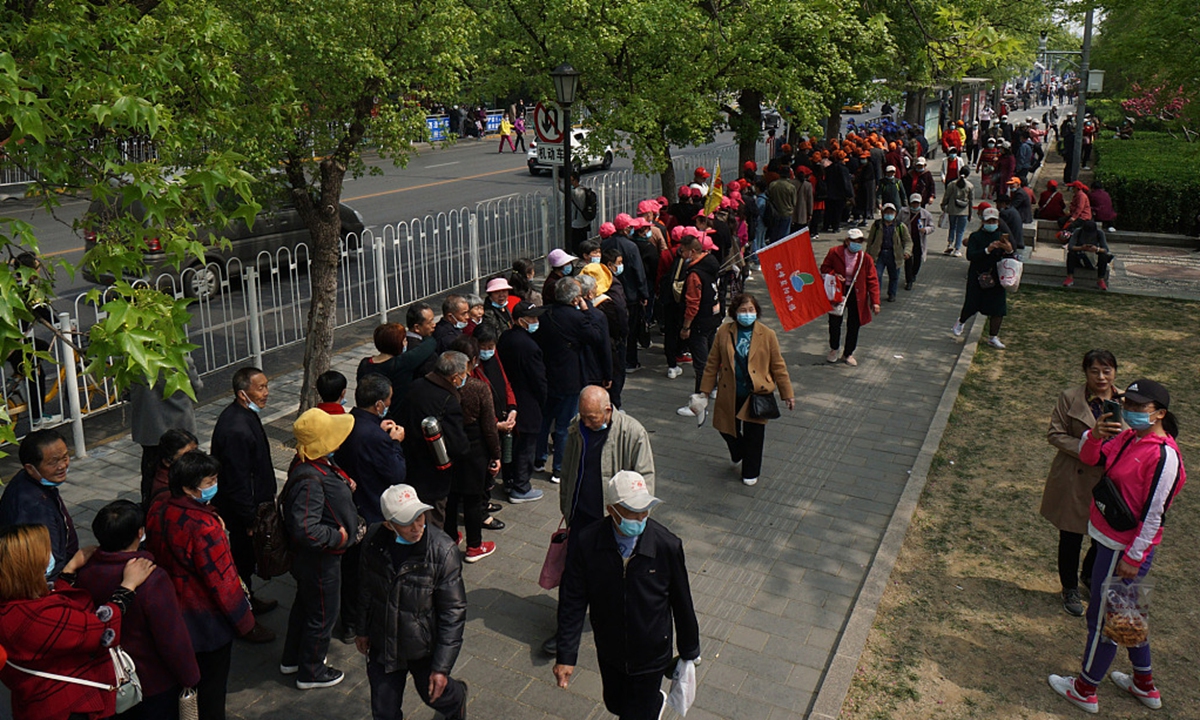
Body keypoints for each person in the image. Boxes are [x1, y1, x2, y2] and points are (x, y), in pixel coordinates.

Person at [1048, 379, 1186, 715]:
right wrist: (1094, 435)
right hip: (1110, 540)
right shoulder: (1128, 437)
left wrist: (1134, 558)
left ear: (1160, 414)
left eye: (1139, 406)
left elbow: (1154, 516)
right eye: (1128, 404)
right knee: (1127, 615)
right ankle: (1144, 683)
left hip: (1122, 549)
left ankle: (1085, 689)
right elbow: (1090, 457)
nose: (1130, 411)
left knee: (1102, 619)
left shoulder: (1163, 456)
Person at [553, 471, 700, 720]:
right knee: (615, 704)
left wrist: (690, 651)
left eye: (645, 510)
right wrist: (566, 655)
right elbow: (572, 600)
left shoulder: (666, 545)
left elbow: (682, 601)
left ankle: (649, 706)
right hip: (610, 649)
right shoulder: (588, 542)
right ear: (612, 510)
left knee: (634, 715)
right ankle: (654, 703)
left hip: (651, 653)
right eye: (633, 511)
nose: (641, 517)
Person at [0, 525, 156, 720]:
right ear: (30, 566)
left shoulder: (11, 603)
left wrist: (69, 570)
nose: (51, 554)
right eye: (46, 551)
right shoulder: (35, 617)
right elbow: (100, 630)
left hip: (33, 700)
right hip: (66, 706)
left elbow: (46, 599)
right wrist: (128, 586)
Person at [147, 450, 257, 720]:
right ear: (188, 487)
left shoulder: (159, 509)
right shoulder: (204, 526)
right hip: (204, 622)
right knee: (211, 689)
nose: (214, 486)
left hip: (169, 612)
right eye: (210, 481)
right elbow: (222, 581)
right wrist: (245, 621)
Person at [76, 500, 201, 719]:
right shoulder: (152, 579)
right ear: (140, 533)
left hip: (107, 677)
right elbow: (171, 637)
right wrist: (189, 676)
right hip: (151, 682)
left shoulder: (85, 571)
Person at [356, 484, 468, 720]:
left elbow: (453, 612)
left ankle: (458, 698)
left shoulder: (443, 550)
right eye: (407, 522)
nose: (417, 527)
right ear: (389, 524)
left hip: (423, 648)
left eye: (420, 517)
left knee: (438, 697)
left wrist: (441, 667)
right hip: (384, 643)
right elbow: (365, 589)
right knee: (384, 711)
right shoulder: (373, 541)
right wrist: (362, 629)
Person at [280, 409, 360, 690]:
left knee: (305, 606)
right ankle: (312, 670)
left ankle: (293, 658)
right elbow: (306, 528)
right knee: (323, 614)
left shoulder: (311, 464)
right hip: (320, 561)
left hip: (312, 561)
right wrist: (337, 537)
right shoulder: (310, 479)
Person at [1041, 350, 1122, 617]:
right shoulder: (1069, 398)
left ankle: (1088, 575)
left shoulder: (1125, 401)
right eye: (1094, 371)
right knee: (1071, 536)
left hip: (1109, 480)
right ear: (1085, 372)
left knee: (1103, 536)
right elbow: (1055, 434)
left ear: (1115, 372)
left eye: (1107, 371)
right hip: (1074, 478)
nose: (1101, 377)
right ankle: (1070, 587)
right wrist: (1089, 445)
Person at [333, 373, 406, 644]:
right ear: (378, 404)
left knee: (350, 569)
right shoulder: (377, 438)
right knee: (367, 573)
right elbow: (396, 473)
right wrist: (395, 442)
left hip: (349, 509)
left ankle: (349, 621)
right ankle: (360, 622)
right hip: (372, 511)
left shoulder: (348, 423)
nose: (389, 404)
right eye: (388, 400)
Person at [208, 366, 277, 640]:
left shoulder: (244, 416)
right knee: (242, 561)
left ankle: (249, 600)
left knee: (247, 561)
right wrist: (250, 519)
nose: (266, 392)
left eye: (266, 386)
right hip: (242, 513)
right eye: (260, 388)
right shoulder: (235, 428)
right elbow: (237, 480)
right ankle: (243, 618)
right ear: (242, 393)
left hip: (251, 508)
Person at [698, 294, 795, 487]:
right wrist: (704, 391)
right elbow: (712, 363)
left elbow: (778, 366)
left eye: (751, 310)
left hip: (757, 393)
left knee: (754, 435)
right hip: (730, 391)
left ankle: (751, 471)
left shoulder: (767, 334)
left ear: (757, 312)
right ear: (735, 312)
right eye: (743, 310)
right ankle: (738, 451)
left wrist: (787, 394)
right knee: (725, 428)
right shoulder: (724, 331)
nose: (747, 314)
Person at [535, 278, 610, 484]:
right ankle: (559, 468)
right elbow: (596, 336)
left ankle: (538, 459)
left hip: (547, 375)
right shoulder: (577, 318)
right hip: (571, 378)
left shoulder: (544, 314)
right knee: (564, 425)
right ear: (575, 298)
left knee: (545, 421)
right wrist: (586, 311)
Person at [445, 335, 501, 563]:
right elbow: (489, 427)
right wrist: (496, 455)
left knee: (450, 497)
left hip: (448, 445)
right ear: (473, 360)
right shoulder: (478, 388)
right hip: (475, 449)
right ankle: (474, 546)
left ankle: (450, 537)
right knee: (473, 500)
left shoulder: (441, 384)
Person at [397, 352, 474, 520]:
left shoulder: (416, 385)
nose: (465, 378)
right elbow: (457, 445)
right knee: (433, 518)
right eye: (464, 375)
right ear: (454, 377)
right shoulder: (449, 401)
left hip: (410, 464)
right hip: (433, 474)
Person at [0, 429, 78, 580]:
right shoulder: (35, 508)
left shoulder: (27, 480)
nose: (62, 466)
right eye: (53, 462)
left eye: (65, 457)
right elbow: (46, 566)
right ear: (30, 468)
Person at [129, 355, 201, 506]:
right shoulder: (181, 359)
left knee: (151, 471)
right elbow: (196, 387)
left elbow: (128, 391)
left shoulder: (135, 361)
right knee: (187, 470)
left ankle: (150, 504)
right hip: (181, 426)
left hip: (150, 428)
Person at [951, 207, 1013, 349]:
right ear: (983, 222)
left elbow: (1010, 255)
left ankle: (993, 337)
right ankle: (961, 321)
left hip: (996, 276)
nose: (991, 223)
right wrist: (987, 250)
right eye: (988, 221)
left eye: (994, 221)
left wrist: (1008, 249)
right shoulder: (975, 237)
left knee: (998, 308)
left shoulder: (1001, 236)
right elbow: (971, 256)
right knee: (972, 304)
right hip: (977, 275)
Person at [821, 229, 881, 367]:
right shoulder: (834, 252)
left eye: (859, 241)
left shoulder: (865, 258)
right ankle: (834, 348)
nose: (857, 244)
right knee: (834, 321)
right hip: (838, 291)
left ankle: (848, 353)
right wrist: (834, 274)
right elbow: (824, 268)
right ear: (847, 241)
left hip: (857, 293)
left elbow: (872, 280)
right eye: (854, 241)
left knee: (854, 324)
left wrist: (875, 302)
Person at [676, 235, 722, 404]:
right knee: (711, 357)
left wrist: (686, 327)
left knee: (701, 363)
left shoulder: (695, 274)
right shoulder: (711, 266)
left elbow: (693, 303)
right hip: (713, 318)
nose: (681, 254)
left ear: (692, 251)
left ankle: (700, 399)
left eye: (683, 251)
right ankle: (714, 387)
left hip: (699, 323)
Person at [358, 321, 435, 406]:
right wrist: (428, 335)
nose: (406, 343)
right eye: (404, 340)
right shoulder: (401, 363)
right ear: (397, 343)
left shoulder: (364, 364)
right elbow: (428, 346)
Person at [864, 202, 910, 302]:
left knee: (894, 276)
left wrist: (907, 252)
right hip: (879, 254)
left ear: (895, 213)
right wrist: (867, 254)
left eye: (891, 212)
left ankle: (892, 294)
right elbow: (870, 240)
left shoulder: (900, 226)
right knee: (877, 276)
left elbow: (908, 241)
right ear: (882, 213)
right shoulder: (877, 225)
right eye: (886, 212)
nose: (889, 214)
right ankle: (876, 296)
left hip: (894, 255)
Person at [144, 428, 200, 506]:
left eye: (196, 451)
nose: (195, 458)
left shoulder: (184, 475)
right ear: (167, 462)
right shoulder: (168, 495)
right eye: (186, 456)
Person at [1064, 220, 1114, 291]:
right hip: (1080, 254)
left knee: (1104, 256)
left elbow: (1105, 249)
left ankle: (1100, 279)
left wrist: (1096, 249)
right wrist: (1082, 248)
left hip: (1094, 256)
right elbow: (1070, 246)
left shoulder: (1100, 233)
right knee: (1071, 254)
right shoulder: (1078, 232)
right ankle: (1070, 277)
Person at [899, 193, 934, 291]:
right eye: (913, 203)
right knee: (908, 258)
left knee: (917, 259)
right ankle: (908, 280)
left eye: (917, 203)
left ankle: (914, 273)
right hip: (907, 240)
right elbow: (897, 222)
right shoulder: (903, 212)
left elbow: (932, 227)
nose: (915, 205)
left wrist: (925, 230)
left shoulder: (926, 214)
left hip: (919, 240)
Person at [940, 167, 974, 257]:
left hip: (952, 210)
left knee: (952, 228)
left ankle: (950, 244)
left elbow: (946, 196)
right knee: (960, 231)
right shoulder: (970, 186)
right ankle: (957, 249)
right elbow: (971, 201)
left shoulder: (952, 184)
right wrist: (970, 213)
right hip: (964, 211)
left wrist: (943, 205)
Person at [568, 172, 592, 252]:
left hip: (577, 223)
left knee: (576, 245)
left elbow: (564, 189)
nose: (570, 182)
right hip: (585, 220)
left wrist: (558, 182)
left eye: (571, 180)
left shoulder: (576, 192)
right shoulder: (584, 189)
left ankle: (580, 255)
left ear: (575, 180)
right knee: (583, 242)